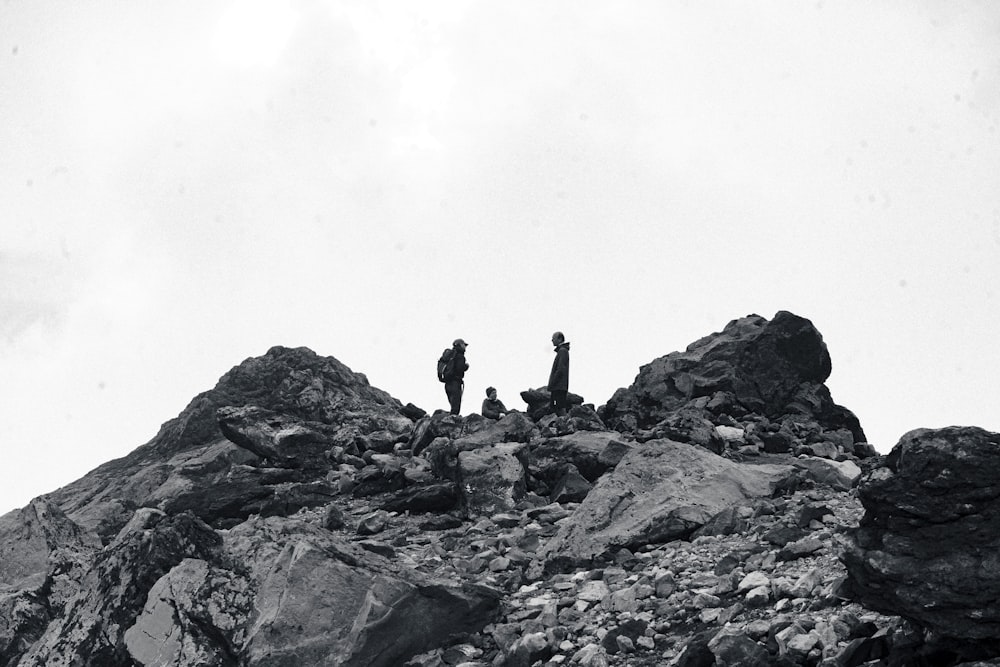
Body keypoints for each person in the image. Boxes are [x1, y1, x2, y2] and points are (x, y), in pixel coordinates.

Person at [443, 338, 469, 415]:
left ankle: (451, 419)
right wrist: (466, 366)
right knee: (455, 407)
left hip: (447, 383)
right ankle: (453, 422)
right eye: (464, 345)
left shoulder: (449, 356)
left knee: (453, 404)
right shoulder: (460, 356)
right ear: (460, 345)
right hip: (455, 382)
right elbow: (459, 368)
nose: (465, 347)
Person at [547, 331, 570, 416]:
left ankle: (566, 425)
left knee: (560, 407)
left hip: (559, 386)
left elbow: (560, 369)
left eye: (554, 338)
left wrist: (553, 383)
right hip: (559, 386)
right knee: (556, 407)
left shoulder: (562, 351)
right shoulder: (562, 351)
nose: (552, 340)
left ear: (560, 339)